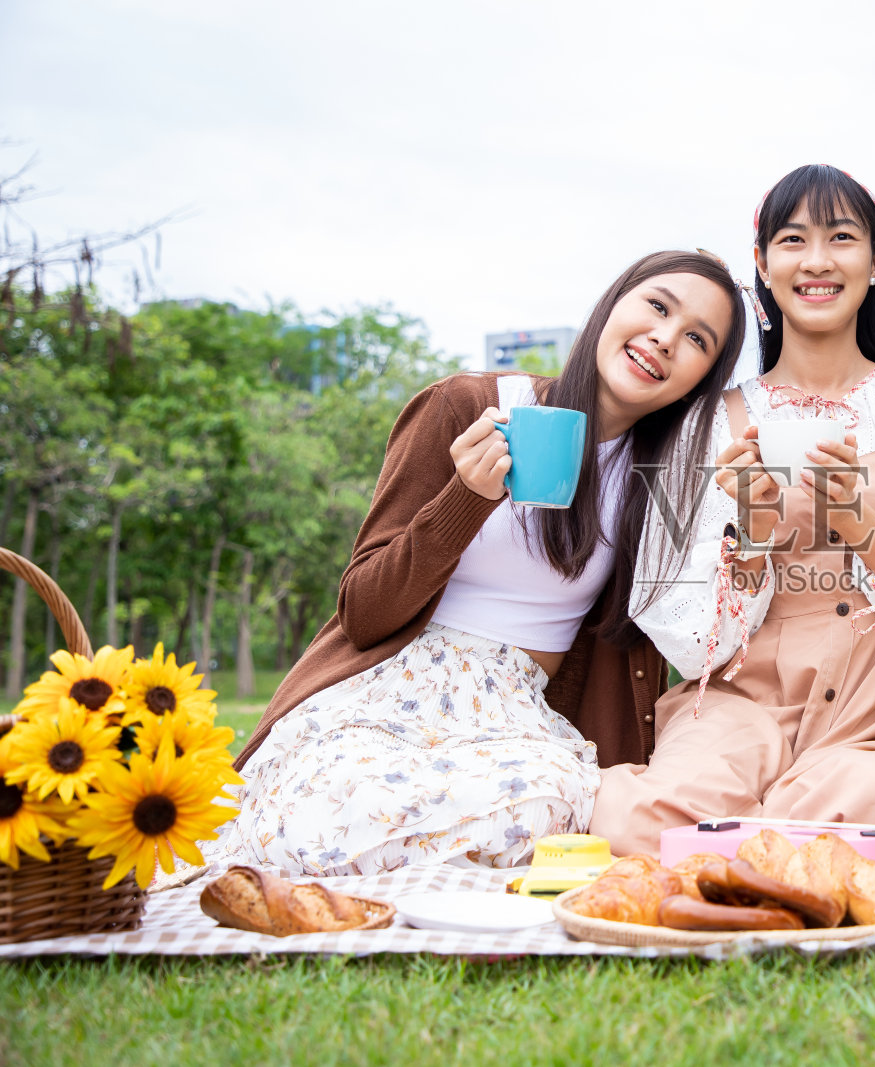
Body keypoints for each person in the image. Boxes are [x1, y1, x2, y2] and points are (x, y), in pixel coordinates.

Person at [213, 250, 746, 876]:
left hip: (517, 714)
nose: (665, 338)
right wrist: (465, 499)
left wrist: (749, 534)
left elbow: (692, 631)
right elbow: (363, 613)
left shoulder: (667, 480)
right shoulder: (470, 405)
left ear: (703, 378)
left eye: (697, 339)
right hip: (388, 692)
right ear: (613, 303)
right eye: (657, 306)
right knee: (331, 806)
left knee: (549, 803)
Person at [590, 167, 875, 857]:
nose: (816, 261)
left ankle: (748, 854)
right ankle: (761, 851)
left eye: (841, 237)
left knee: (858, 811)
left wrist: (859, 520)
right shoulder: (707, 423)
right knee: (643, 819)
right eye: (792, 240)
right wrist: (752, 539)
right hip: (736, 709)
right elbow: (682, 637)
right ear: (762, 264)